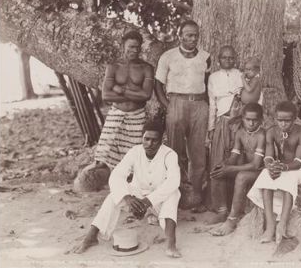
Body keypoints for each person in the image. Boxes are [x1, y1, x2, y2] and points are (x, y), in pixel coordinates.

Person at [73, 120, 182, 258]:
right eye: (146, 139)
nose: (149, 144)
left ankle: (171, 244)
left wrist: (149, 201)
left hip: (158, 199)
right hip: (137, 197)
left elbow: (173, 181)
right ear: (142, 138)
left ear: (161, 140)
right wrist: (127, 197)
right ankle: (91, 237)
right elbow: (116, 175)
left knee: (173, 193)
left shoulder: (170, 154)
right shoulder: (135, 151)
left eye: (154, 140)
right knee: (113, 196)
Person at [155, 20, 211, 212]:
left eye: (195, 35)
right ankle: (176, 194)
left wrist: (207, 107)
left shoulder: (206, 57)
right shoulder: (168, 56)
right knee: (175, 152)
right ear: (179, 36)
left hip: (199, 105)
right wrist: (168, 106)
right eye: (188, 35)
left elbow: (207, 83)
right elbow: (158, 85)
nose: (192, 38)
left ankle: (195, 196)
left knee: (198, 154)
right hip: (176, 103)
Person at [247, 101, 301, 244]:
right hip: (281, 166)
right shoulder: (271, 131)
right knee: (265, 176)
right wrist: (271, 166)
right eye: (280, 120)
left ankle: (282, 224)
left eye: (287, 121)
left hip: (300, 168)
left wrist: (283, 168)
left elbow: (299, 161)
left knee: (289, 178)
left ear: (294, 119)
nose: (283, 124)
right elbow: (268, 156)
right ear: (275, 119)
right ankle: (270, 226)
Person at [94, 30, 154, 171]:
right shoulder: (113, 67)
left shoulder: (146, 68)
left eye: (137, 47)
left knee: (135, 155)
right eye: (131, 47)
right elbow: (106, 96)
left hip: (137, 115)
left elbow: (146, 95)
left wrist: (122, 90)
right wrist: (135, 94)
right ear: (123, 46)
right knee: (103, 153)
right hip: (116, 113)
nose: (135, 50)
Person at [208, 103, 266, 236]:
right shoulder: (240, 133)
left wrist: (230, 169)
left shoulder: (262, 135)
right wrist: (224, 165)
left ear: (260, 120)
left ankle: (232, 220)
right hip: (247, 167)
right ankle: (222, 211)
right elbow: (234, 156)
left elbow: (256, 165)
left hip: (262, 171)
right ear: (242, 119)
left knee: (241, 176)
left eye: (254, 120)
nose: (251, 123)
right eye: (247, 119)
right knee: (218, 170)